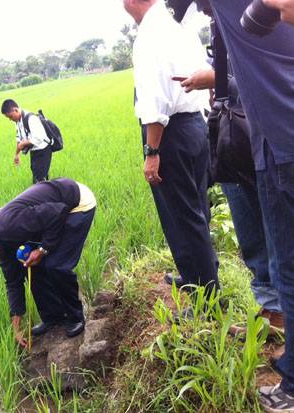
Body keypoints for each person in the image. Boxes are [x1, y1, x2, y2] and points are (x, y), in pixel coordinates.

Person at [176, 0, 294, 409]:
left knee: (283, 259)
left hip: (274, 138)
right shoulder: (228, 22)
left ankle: (292, 370)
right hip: (260, 139)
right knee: (276, 257)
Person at [122, 0, 220, 301]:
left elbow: (155, 99)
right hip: (195, 126)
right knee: (197, 210)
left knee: (181, 218)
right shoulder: (178, 28)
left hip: (170, 134)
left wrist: (152, 152)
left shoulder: (150, 35)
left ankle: (206, 297)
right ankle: (197, 274)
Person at [175, 68, 284, 336]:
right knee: (250, 229)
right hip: (230, 129)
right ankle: (271, 309)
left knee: (272, 228)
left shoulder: (256, 26)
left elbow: (268, 76)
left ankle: (281, 312)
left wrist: (217, 80)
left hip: (261, 132)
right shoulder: (222, 29)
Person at [0, 178, 96, 347]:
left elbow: (57, 212)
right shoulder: (0, 243)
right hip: (54, 211)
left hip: (76, 203)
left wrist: (43, 249)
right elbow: (13, 282)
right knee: (31, 266)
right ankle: (53, 317)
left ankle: (76, 317)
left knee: (56, 265)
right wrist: (15, 327)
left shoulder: (9, 225)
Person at [1, 99, 53, 184]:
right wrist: (17, 154)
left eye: (10, 116)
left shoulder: (31, 118)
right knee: (41, 179)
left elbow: (39, 138)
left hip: (43, 151)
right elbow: (19, 138)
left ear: (16, 110)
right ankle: (50, 194)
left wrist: (24, 143)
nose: (10, 119)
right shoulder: (17, 121)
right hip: (35, 152)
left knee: (39, 182)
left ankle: (46, 195)